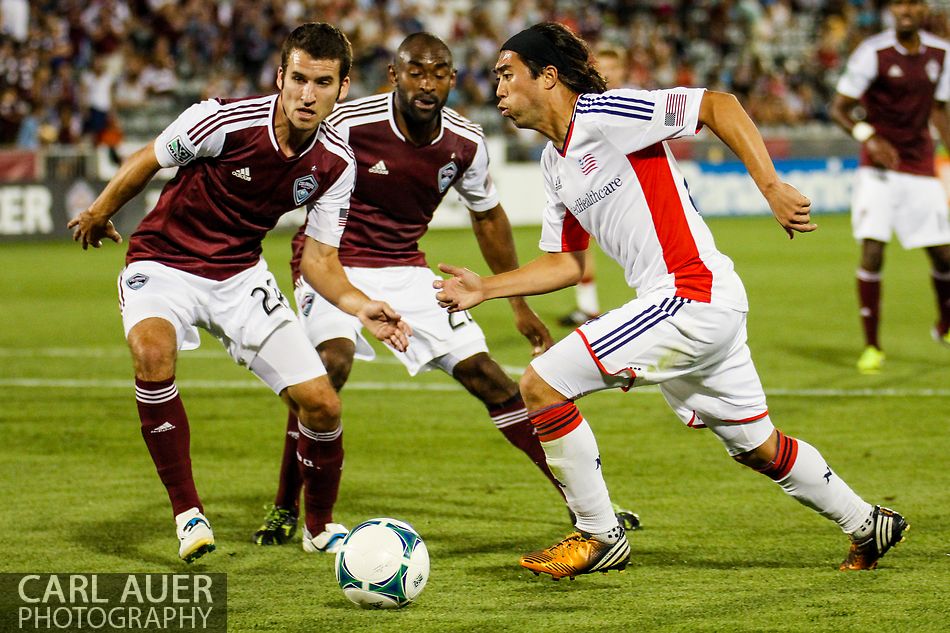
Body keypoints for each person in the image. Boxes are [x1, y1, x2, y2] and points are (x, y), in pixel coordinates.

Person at [435, 22, 908, 580]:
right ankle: (866, 522)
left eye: (506, 74)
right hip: (700, 306)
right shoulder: (553, 164)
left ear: (548, 76)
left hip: (690, 295)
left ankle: (599, 535)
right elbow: (568, 263)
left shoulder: (605, 116)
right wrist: (488, 288)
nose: (496, 90)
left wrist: (770, 185)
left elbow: (717, 104)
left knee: (540, 384)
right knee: (757, 446)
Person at [252, 32, 639, 550]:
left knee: (493, 380)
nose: (426, 83)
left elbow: (488, 219)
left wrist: (518, 305)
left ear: (453, 80)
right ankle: (285, 508)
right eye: (415, 71)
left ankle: (586, 505)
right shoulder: (348, 125)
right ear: (395, 75)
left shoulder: (466, 142)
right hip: (335, 267)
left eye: (438, 73)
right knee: (328, 369)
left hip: (410, 272)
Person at [67, 22, 410, 564]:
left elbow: (321, 260)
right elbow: (150, 158)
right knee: (153, 352)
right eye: (297, 78)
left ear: (342, 88)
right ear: (279, 76)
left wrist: (362, 305)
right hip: (165, 262)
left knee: (321, 404)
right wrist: (99, 211)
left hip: (240, 276)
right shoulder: (221, 120)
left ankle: (319, 528)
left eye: (322, 83)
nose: (306, 93)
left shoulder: (337, 164)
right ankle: (188, 514)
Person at [830, 0, 950, 374]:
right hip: (878, 169)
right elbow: (840, 108)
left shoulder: (942, 54)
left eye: (912, 3)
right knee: (873, 250)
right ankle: (872, 346)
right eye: (898, 4)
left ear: (923, 9)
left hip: (919, 165)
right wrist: (870, 137)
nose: (905, 11)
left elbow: (941, 110)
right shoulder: (873, 53)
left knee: (944, 255)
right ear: (892, 11)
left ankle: (944, 325)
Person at [557, 46, 629, 328]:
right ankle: (587, 307)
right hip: (592, 186)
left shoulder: (630, 103)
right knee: (579, 245)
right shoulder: (582, 107)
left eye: (612, 68)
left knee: (633, 247)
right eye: (602, 68)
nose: (607, 74)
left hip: (624, 188)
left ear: (622, 72)